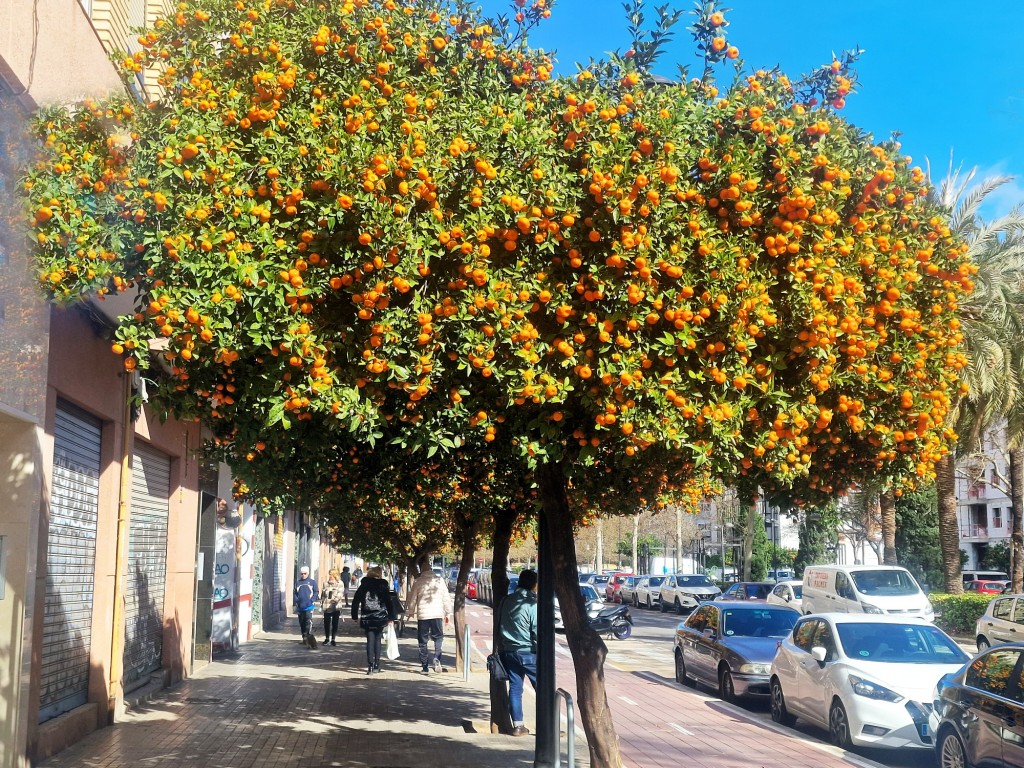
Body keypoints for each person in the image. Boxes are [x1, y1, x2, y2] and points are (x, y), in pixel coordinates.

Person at [499, 569, 538, 737]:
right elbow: (537, 630)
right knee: (543, 689)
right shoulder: (531, 604)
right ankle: (549, 726)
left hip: (509, 651)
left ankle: (518, 726)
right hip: (528, 652)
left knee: (515, 688)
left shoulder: (507, 600)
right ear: (533, 584)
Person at [404, 565, 454, 674]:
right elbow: (446, 597)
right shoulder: (439, 581)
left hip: (423, 616)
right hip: (437, 614)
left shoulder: (418, 581)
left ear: (422, 570)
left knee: (423, 640)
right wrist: (448, 612)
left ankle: (425, 666)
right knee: (438, 637)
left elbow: (412, 598)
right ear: (431, 569)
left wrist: (411, 612)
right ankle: (437, 657)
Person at [350, 565, 396, 674]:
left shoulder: (363, 586)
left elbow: (355, 601)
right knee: (378, 640)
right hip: (380, 616)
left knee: (370, 640)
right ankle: (376, 664)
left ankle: (370, 666)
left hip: (367, 616)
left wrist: (354, 616)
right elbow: (388, 602)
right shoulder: (383, 586)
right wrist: (391, 616)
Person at [294, 565, 319, 649]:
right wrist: (297, 601)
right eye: (301, 574)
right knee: (302, 623)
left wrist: (312, 600)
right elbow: (295, 593)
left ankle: (308, 639)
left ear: (308, 573)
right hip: (300, 607)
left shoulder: (312, 582)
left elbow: (316, 592)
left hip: (309, 607)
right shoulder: (298, 582)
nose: (303, 575)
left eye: (304, 573)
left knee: (308, 623)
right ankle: (304, 638)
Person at [321, 568, 344, 646]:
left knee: (335, 623)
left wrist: (335, 600)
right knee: (326, 623)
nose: (330, 576)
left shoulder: (340, 583)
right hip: (327, 606)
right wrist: (321, 604)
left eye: (331, 574)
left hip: (335, 606)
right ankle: (327, 638)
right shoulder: (325, 583)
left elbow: (340, 594)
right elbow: (323, 595)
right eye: (329, 574)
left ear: (335, 575)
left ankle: (333, 639)